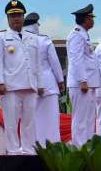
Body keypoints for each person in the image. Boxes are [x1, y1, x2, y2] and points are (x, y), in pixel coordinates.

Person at [0, 0, 42, 155]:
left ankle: (28, 149)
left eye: (19, 15)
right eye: (12, 15)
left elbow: (36, 63)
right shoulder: (0, 37)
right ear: (7, 18)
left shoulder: (32, 37)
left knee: (29, 121)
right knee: (11, 122)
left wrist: (39, 83)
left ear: (23, 17)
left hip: (30, 84)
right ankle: (13, 150)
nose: (16, 18)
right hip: (11, 86)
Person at [24, 12, 64, 145]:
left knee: (32, 120)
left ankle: (34, 147)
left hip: (28, 85)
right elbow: (55, 63)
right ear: (36, 25)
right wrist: (60, 81)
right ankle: (52, 146)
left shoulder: (20, 40)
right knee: (51, 120)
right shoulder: (44, 40)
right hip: (49, 85)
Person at [66, 3, 99, 147]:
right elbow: (76, 58)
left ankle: (88, 145)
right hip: (81, 84)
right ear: (86, 19)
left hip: (88, 83)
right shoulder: (76, 35)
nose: (93, 20)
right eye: (91, 18)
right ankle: (79, 147)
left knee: (89, 118)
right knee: (80, 119)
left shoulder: (84, 34)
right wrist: (83, 80)